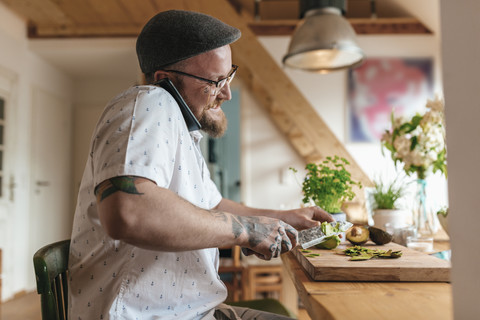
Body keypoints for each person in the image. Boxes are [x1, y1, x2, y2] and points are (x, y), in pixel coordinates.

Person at [68, 9, 334, 320]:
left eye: (228, 76)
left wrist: (283, 217)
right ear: (164, 80)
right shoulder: (150, 103)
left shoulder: (181, 130)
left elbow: (214, 205)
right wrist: (247, 230)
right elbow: (128, 210)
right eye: (215, 81)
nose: (227, 93)